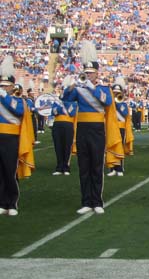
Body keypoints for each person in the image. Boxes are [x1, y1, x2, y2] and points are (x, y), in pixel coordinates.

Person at [61, 42, 122, 215]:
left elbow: (108, 102)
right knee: (84, 166)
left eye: (91, 73)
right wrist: (71, 86)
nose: (88, 76)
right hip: (82, 129)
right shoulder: (79, 89)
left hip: (97, 130)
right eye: (86, 73)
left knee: (96, 166)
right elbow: (66, 99)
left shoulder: (102, 88)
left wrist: (91, 87)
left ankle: (97, 201)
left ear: (97, 73)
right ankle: (86, 201)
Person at [0, 56, 35, 216]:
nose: (4, 87)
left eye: (6, 85)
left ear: (12, 86)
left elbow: (18, 111)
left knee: (10, 171)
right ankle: (2, 202)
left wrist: (5, 96)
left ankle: (12, 203)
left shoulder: (17, 100)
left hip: (11, 139)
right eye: (2, 85)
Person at [51, 79, 77, 176]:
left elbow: (71, 113)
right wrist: (61, 108)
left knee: (67, 146)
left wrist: (61, 109)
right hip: (57, 125)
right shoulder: (57, 101)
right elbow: (53, 112)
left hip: (68, 125)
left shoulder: (73, 103)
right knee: (58, 146)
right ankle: (59, 167)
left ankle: (66, 167)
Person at [108, 81, 129, 177]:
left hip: (121, 128)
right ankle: (112, 168)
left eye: (117, 92)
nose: (116, 94)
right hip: (111, 127)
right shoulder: (109, 104)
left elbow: (124, 114)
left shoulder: (123, 104)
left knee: (120, 147)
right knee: (111, 146)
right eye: (114, 92)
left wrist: (117, 103)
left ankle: (120, 168)